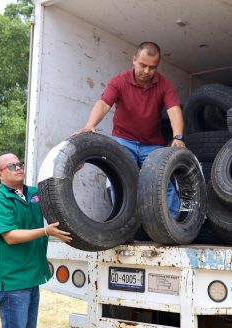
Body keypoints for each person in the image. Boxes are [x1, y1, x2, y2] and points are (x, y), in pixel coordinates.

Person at [75, 41, 186, 218]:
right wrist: (90, 125)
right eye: (143, 65)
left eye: (152, 67)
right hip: (123, 140)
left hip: (152, 144)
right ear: (134, 60)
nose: (147, 71)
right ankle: (122, 223)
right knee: (120, 179)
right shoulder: (119, 81)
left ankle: (173, 224)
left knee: (162, 181)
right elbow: (104, 104)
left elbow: (174, 109)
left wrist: (178, 136)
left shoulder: (164, 84)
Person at [0, 151, 72, 328]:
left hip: (32, 277)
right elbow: (11, 236)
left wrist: (75, 166)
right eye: (11, 166)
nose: (18, 168)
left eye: (20, 164)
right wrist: (45, 231)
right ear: (0, 174)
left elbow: (57, 193)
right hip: (12, 282)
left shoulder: (34, 193)